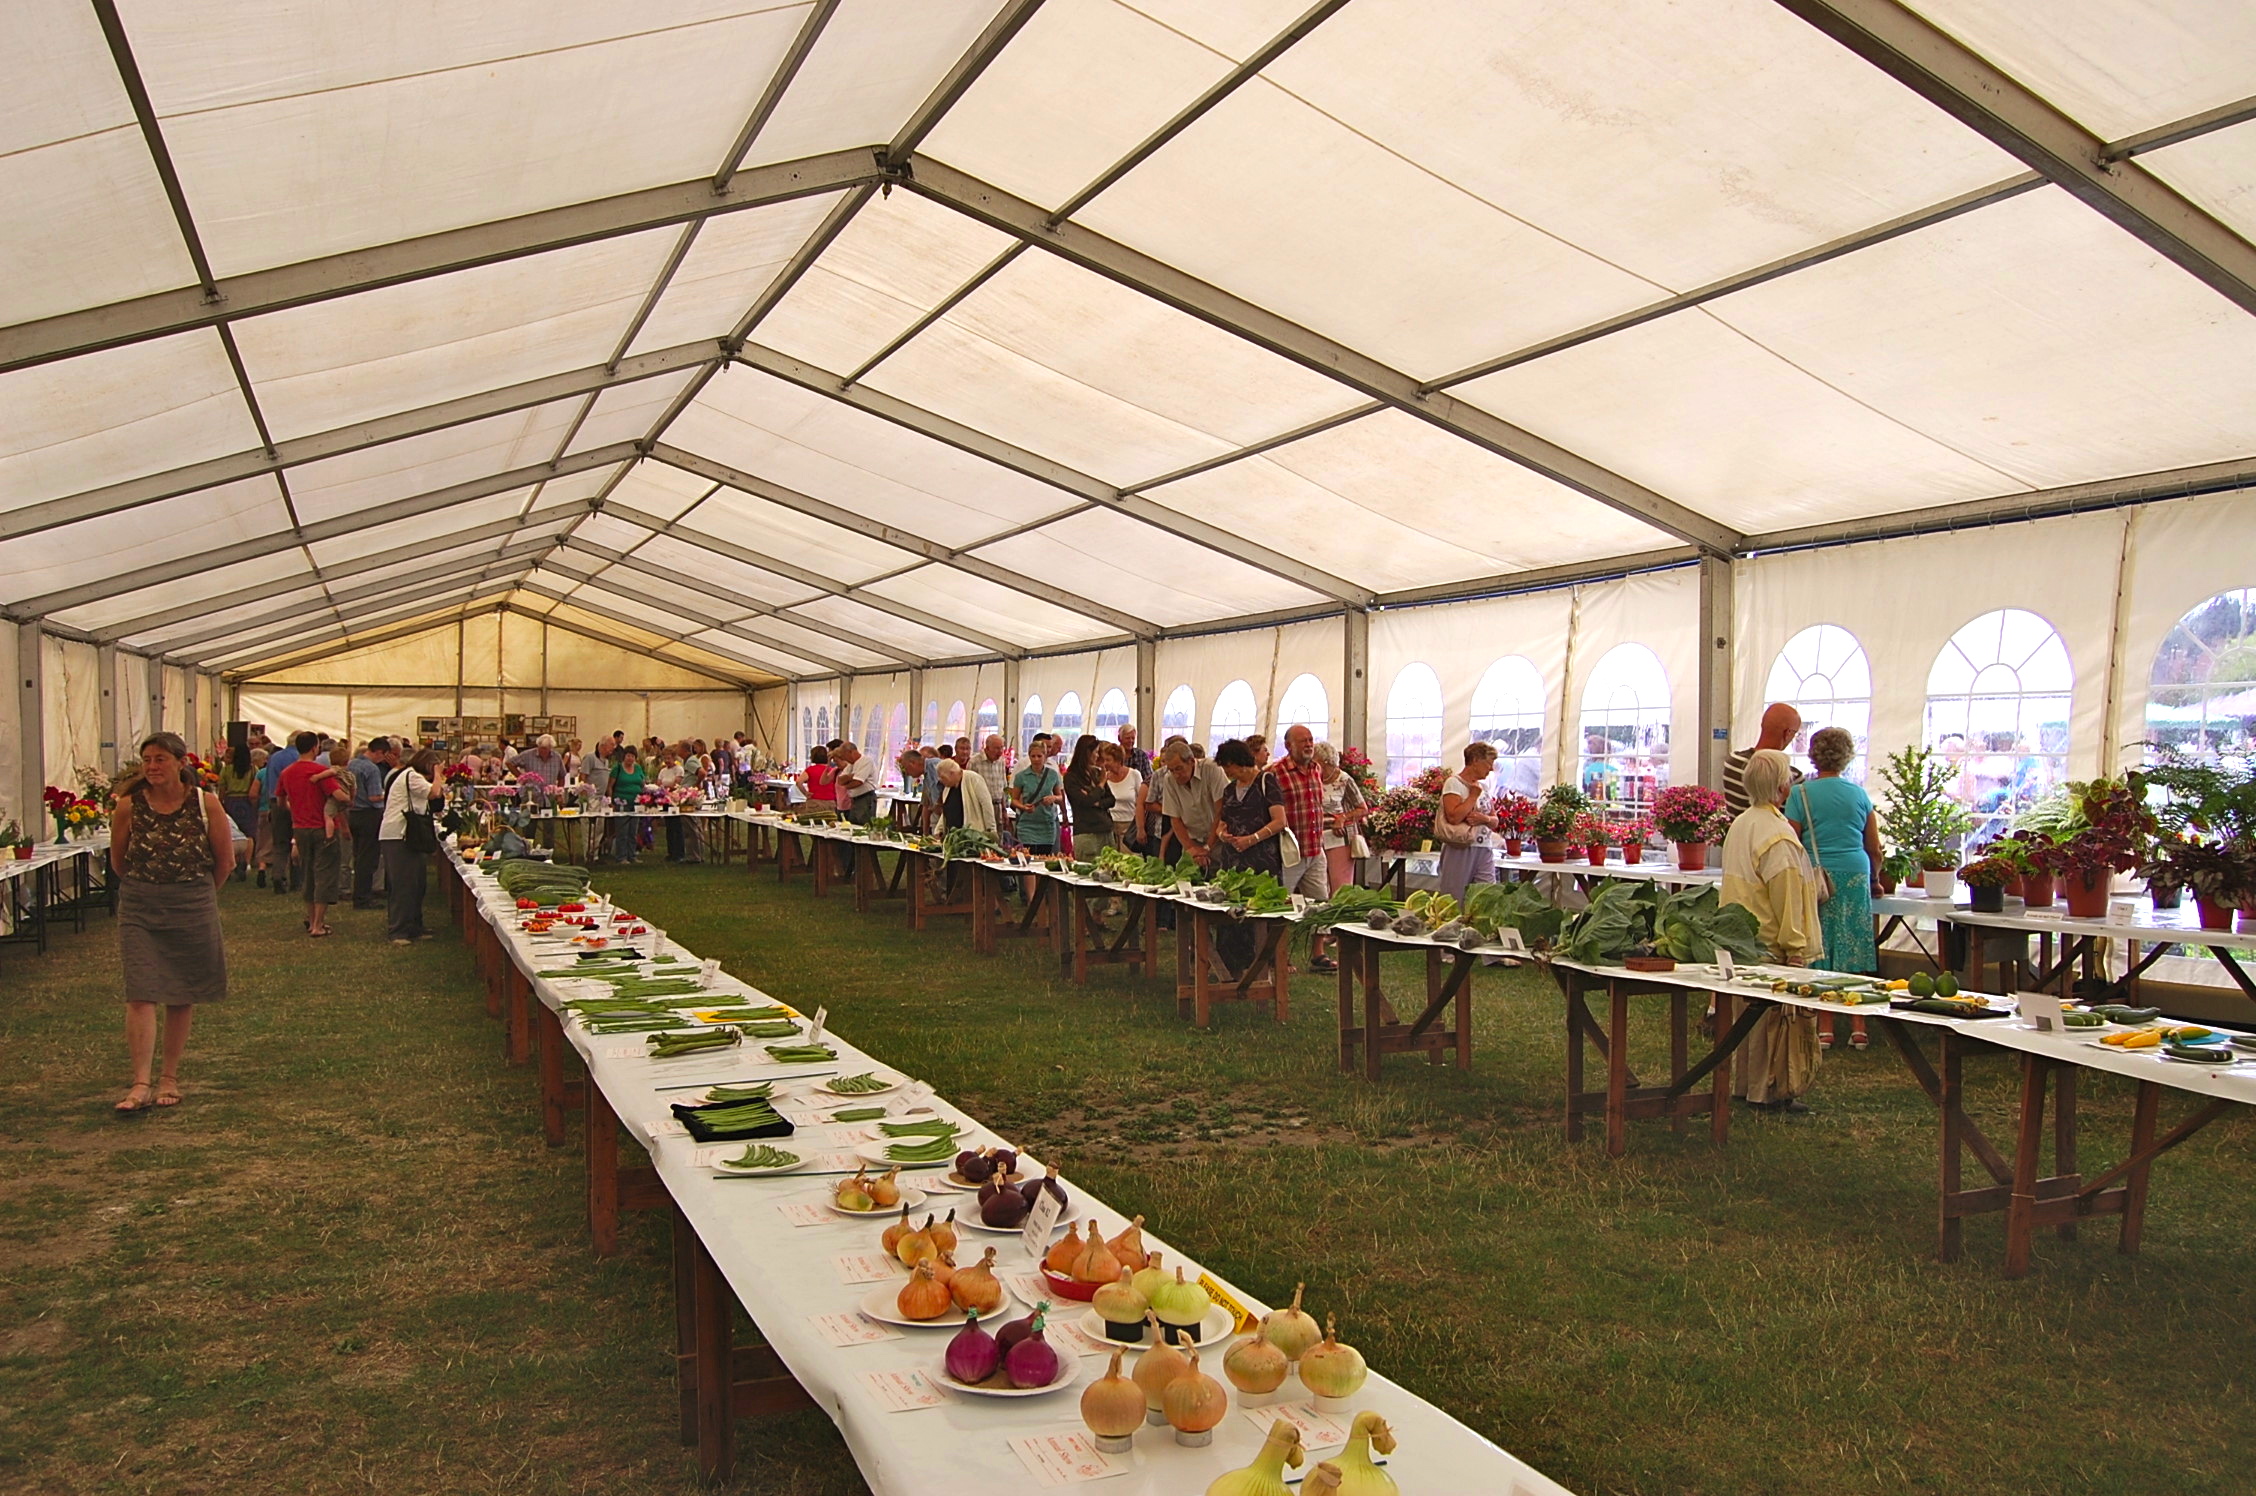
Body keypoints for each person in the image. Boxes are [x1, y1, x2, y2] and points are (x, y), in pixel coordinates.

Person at [109, 732, 235, 1111]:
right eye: (147, 759)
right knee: (141, 991)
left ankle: (169, 1078)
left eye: (160, 758)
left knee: (182, 992)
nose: (152, 766)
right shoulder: (129, 806)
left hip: (192, 902)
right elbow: (119, 860)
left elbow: (224, 861)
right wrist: (145, 887)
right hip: (140, 905)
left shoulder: (205, 804)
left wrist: (196, 895)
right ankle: (140, 1082)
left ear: (181, 763)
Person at [1723, 749, 1825, 1112]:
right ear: (1784, 787)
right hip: (1767, 938)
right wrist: (1794, 945)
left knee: (1746, 1020)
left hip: (1739, 936)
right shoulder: (1777, 834)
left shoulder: (1742, 823)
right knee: (1773, 1022)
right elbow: (1786, 893)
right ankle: (1767, 1091)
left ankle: (1746, 1087)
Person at [1785, 726, 1886, 1050]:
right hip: (1855, 872)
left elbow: (1791, 840)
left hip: (1817, 876)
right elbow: (1875, 848)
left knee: (1820, 944)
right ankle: (1859, 1026)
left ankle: (1824, 1025)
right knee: (1854, 942)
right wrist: (1876, 879)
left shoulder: (1800, 795)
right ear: (1847, 756)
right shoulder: (1859, 795)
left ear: (1814, 756)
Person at [1207, 739, 1286, 978]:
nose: (1226, 772)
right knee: (1231, 916)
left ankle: (1261, 968)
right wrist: (1223, 834)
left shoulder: (1266, 782)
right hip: (1233, 862)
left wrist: (1252, 838)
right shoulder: (1229, 790)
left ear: (1238, 762)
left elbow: (1280, 821)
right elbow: (1222, 822)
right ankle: (1230, 967)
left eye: (1227, 767)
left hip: (1261, 861)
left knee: (1258, 918)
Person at [278, 731, 349, 937]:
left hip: (300, 828)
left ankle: (311, 919)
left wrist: (297, 808)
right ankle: (317, 924)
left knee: (308, 873)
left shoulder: (287, 772)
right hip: (323, 828)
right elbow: (338, 796)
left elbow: (281, 802)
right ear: (314, 748)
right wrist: (348, 797)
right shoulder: (320, 771)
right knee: (324, 874)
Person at [1312, 741, 1368, 970]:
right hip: (1315, 837)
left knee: (1340, 886)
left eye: (1318, 764)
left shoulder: (1344, 779)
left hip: (1339, 838)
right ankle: (1323, 930)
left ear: (1327, 763)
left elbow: (1362, 808)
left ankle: (1340, 931)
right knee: (1319, 887)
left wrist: (1342, 818)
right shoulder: (1310, 779)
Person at [379, 748, 444, 944]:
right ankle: (398, 930)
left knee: (416, 884)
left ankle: (414, 926)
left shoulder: (413, 777)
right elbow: (434, 793)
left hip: (408, 836)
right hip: (398, 836)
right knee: (403, 885)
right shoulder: (411, 776)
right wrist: (439, 775)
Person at [1270, 725, 1330, 908]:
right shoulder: (1275, 772)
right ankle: (1277, 937)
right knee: (1279, 906)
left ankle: (1320, 937)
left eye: (1311, 740)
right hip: (1289, 855)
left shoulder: (1316, 769)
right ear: (1288, 746)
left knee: (1321, 907)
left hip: (1315, 851)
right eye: (1303, 741)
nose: (1309, 744)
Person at [1437, 742, 1502, 904]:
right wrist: (1472, 796)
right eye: (1488, 764)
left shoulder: (1483, 787)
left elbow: (1495, 821)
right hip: (1460, 847)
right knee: (1454, 898)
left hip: (1484, 848)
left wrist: (1484, 819)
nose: (1491, 769)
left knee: (1487, 897)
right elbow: (1453, 818)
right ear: (1474, 760)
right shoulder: (1454, 783)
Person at [1154, 738, 1228, 869]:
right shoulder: (1169, 780)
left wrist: (1208, 847)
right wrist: (1191, 849)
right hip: (1192, 839)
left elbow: (1220, 811)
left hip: (1219, 840)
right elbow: (1175, 820)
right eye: (1171, 770)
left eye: (1179, 769)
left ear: (1191, 761)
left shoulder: (1211, 768)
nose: (1176, 775)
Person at [1724, 702, 1803, 818]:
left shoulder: (1731, 762)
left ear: (1762, 725)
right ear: (1787, 733)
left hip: (1735, 834)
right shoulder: (1791, 777)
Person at [345, 738, 393, 910]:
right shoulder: (371, 769)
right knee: (368, 858)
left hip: (353, 813)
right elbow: (373, 797)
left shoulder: (352, 764)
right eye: (384, 755)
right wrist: (388, 795)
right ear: (379, 752)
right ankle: (363, 897)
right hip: (369, 815)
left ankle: (358, 892)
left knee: (358, 856)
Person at [258, 730, 299, 894]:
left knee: (280, 842)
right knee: (297, 841)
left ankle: (278, 875)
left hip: (275, 802)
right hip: (295, 802)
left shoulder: (274, 757)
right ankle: (296, 879)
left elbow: (269, 782)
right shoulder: (299, 758)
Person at [1009, 736, 1065, 856]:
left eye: (1039, 756)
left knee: (1044, 859)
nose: (1036, 759)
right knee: (1028, 857)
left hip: (1046, 824)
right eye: (1033, 756)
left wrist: (1053, 798)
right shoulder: (1021, 776)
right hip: (1027, 825)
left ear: (1045, 756)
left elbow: (1060, 797)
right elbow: (1013, 800)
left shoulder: (1053, 775)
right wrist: (1023, 807)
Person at [1062, 734, 1115, 858]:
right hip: (1086, 832)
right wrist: (1101, 785)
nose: (1097, 756)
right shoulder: (1071, 777)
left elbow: (1111, 800)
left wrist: (1097, 803)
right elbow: (1085, 802)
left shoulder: (1096, 773)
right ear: (1087, 752)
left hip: (1105, 829)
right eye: (1095, 752)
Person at [216, 741, 259, 882]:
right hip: (247, 801)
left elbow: (222, 788)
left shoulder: (227, 769)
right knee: (249, 833)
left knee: (231, 832)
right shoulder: (253, 769)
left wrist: (221, 802)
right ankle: (246, 863)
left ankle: (232, 862)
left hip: (231, 801)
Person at [1101, 742, 1143, 852]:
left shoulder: (1134, 775)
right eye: (1104, 760)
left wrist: (1141, 827)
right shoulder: (1104, 778)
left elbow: (1141, 802)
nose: (1105, 763)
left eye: (1108, 760)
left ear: (1118, 760)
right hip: (1110, 827)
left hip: (1130, 826)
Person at [610, 746, 648, 863]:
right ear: (624, 756)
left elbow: (642, 783)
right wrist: (611, 801)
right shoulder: (617, 769)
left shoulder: (638, 768)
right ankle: (621, 856)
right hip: (621, 803)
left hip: (636, 803)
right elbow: (610, 786)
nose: (630, 759)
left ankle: (632, 855)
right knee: (622, 831)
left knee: (633, 831)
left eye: (632, 756)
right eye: (628, 756)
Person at [971, 734, 1011, 824]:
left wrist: (1004, 810)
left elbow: (1003, 786)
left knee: (999, 836)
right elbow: (969, 789)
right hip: (981, 807)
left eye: (1002, 748)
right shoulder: (974, 762)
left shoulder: (1001, 761)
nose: (1000, 752)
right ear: (987, 748)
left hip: (999, 806)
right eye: (997, 748)